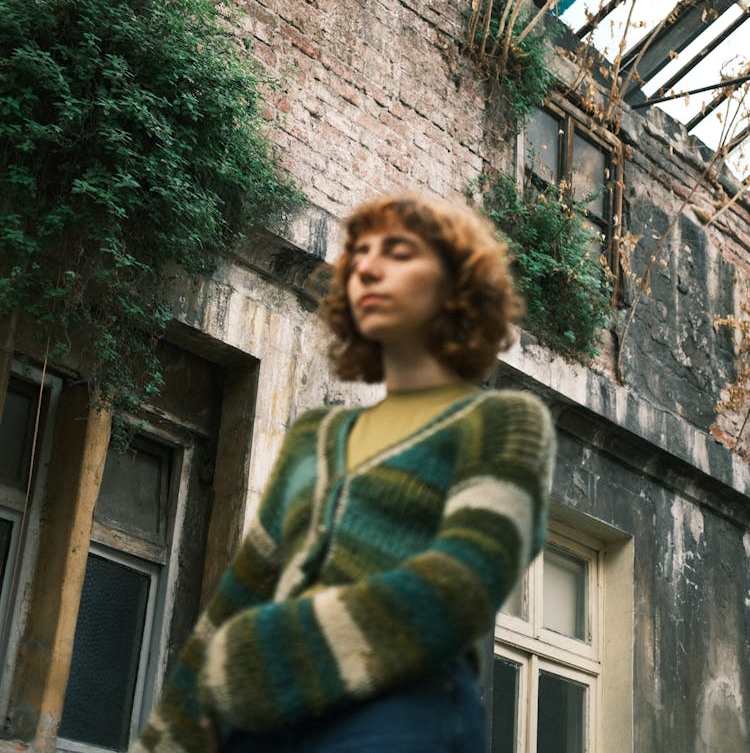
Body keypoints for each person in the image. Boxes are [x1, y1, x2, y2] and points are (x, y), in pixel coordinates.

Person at [132, 193, 555, 753]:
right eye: (357, 259)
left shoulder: (504, 422)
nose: (367, 270)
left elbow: (462, 585)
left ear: (457, 285)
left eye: (398, 253)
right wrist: (167, 741)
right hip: (263, 724)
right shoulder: (316, 437)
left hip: (400, 710)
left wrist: (259, 658)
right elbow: (238, 596)